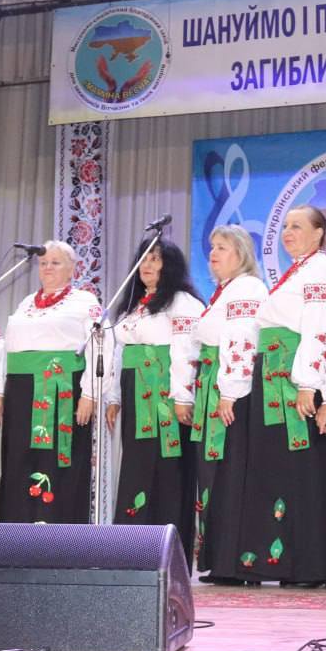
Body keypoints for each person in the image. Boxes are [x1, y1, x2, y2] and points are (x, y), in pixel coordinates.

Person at [237, 206, 326, 587]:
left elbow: (320, 328)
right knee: (275, 469)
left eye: (297, 226)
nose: (287, 232)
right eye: (284, 226)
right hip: (273, 374)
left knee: (300, 468)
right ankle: (278, 561)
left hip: (295, 378)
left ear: (319, 233)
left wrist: (307, 383)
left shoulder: (323, 270)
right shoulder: (297, 271)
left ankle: (307, 566)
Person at [104, 238, 204, 562]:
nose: (147, 265)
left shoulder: (182, 303)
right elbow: (119, 353)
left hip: (166, 394)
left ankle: (166, 550)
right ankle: (131, 548)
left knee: (167, 468)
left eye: (155, 259)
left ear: (170, 265)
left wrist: (182, 396)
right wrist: (113, 396)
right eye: (143, 259)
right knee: (137, 465)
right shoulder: (133, 305)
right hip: (136, 393)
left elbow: (187, 351)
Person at [0, 241, 104, 524]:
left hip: (60, 389)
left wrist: (90, 393)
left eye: (55, 262)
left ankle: (57, 535)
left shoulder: (84, 302)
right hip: (21, 392)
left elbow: (100, 344)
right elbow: (6, 348)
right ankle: (17, 534)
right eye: (43, 263)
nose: (47, 268)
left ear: (72, 269)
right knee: (18, 460)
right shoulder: (26, 303)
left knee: (56, 461)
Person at [185, 224, 267, 585]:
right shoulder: (225, 291)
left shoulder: (247, 288)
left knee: (230, 473)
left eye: (222, 247)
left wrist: (230, 391)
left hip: (231, 392)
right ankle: (221, 559)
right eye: (212, 247)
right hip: (215, 388)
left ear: (241, 254)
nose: (213, 254)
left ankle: (235, 562)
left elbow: (242, 339)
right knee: (214, 474)